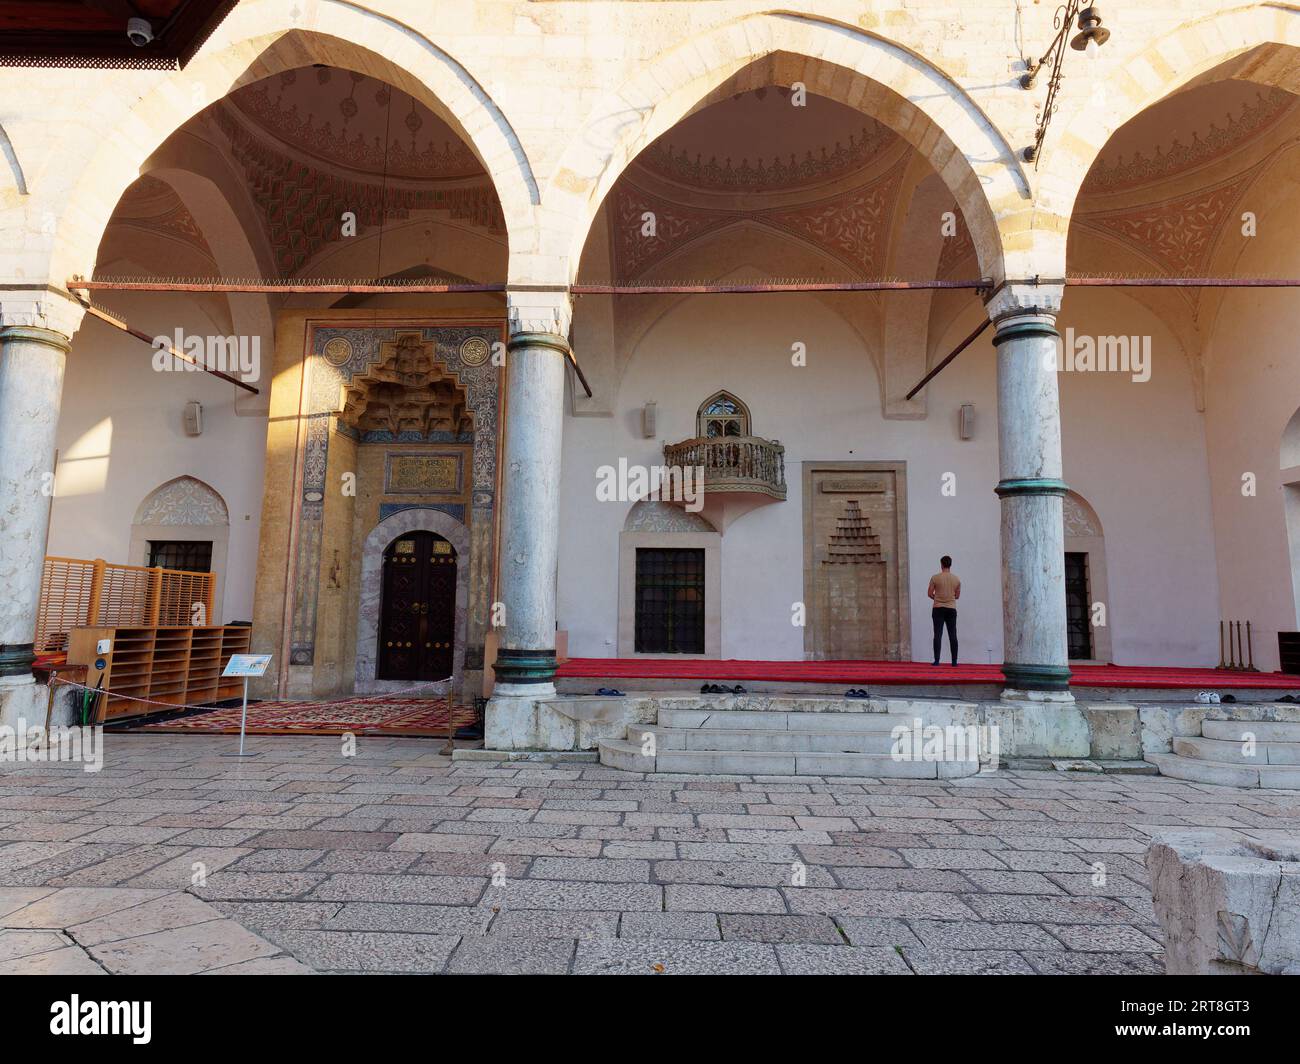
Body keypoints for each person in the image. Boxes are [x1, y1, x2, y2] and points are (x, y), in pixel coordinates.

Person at [927, 555, 960, 666]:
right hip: (951, 609)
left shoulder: (935, 578)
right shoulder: (956, 579)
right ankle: (954, 662)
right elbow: (957, 596)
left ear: (941, 564)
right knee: (953, 635)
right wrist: (948, 598)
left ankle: (937, 660)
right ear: (950, 564)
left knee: (937, 634)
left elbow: (929, 593)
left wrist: (937, 598)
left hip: (938, 608)